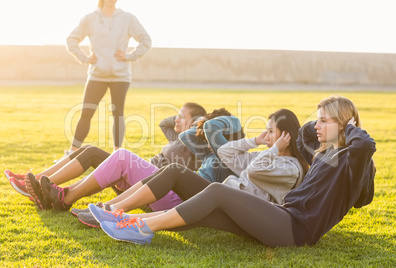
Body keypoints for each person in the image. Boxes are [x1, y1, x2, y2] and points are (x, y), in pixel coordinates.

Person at [88, 95, 376, 247]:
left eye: (324, 121)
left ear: (342, 124)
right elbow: (304, 134)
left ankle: (142, 227)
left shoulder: (353, 162)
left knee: (217, 191)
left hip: (296, 229)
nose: (317, 126)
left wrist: (347, 124)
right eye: (318, 120)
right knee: (211, 210)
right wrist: (329, 125)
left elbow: (364, 144)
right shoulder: (324, 154)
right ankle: (125, 219)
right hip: (282, 218)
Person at [86, 108, 308, 238]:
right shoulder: (268, 154)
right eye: (266, 132)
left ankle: (129, 223)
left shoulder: (290, 168)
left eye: (270, 132)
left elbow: (256, 169)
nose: (266, 136)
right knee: (174, 170)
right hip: (223, 197)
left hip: (238, 212)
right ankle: (115, 211)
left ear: (285, 136)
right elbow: (226, 153)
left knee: (188, 196)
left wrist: (272, 149)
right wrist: (255, 141)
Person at [6, 103, 206, 212]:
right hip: (140, 180)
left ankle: (61, 195)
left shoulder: (195, 144)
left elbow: (206, 148)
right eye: (177, 115)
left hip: (158, 191)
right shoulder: (176, 138)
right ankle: (39, 182)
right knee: (91, 150)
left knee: (122, 155)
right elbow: (164, 123)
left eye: (182, 116)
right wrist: (181, 118)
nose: (177, 119)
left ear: (195, 122)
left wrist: (198, 125)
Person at [65, 0, 151, 155]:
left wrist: (129, 56)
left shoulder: (128, 18)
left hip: (121, 76)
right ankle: (71, 152)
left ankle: (116, 155)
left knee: (118, 114)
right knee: (86, 113)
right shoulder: (90, 18)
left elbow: (146, 41)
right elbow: (71, 40)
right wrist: (84, 58)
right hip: (97, 74)